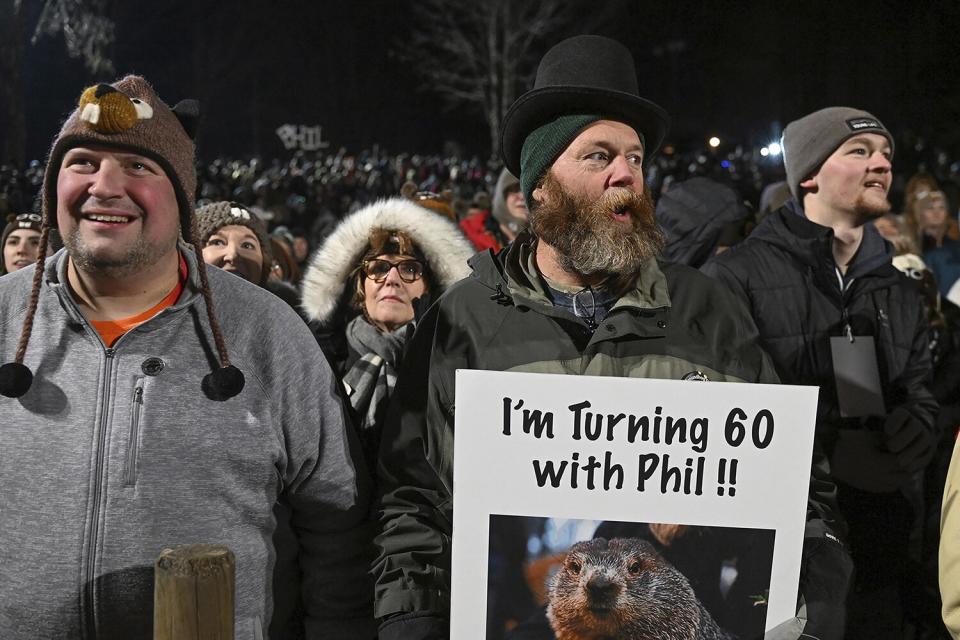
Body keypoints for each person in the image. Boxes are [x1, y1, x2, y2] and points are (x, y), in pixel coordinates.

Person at [374, 35, 793, 640]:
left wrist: (787, 608)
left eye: (637, 157)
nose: (627, 174)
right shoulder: (462, 319)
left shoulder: (707, 310)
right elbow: (412, 499)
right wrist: (410, 618)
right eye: (599, 156)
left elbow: (789, 491)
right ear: (539, 184)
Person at [0, 75, 374, 639]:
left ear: (182, 198)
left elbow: (338, 528)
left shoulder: (269, 333)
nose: (105, 186)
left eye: (139, 168)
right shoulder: (3, 316)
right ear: (53, 184)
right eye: (82, 162)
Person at [703, 107, 938, 638]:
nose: (881, 164)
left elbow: (919, 389)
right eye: (859, 152)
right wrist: (830, 457)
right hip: (781, 561)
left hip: (883, 555)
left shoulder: (897, 290)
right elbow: (720, 419)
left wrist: (917, 427)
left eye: (886, 155)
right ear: (808, 174)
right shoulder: (735, 276)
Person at [300, 196, 474, 465]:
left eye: (409, 269)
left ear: (433, 288)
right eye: (379, 268)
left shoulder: (459, 366)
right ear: (360, 287)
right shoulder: (319, 360)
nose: (392, 280)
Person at [459, 168, 528, 251]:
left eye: (528, 190)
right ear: (501, 197)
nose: (522, 196)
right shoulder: (470, 236)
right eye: (514, 189)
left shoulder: (544, 236)